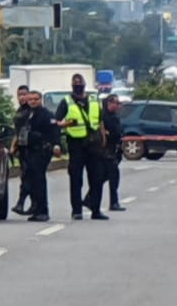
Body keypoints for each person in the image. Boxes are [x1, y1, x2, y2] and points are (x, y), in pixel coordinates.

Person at [55, 73, 108, 221]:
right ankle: (76, 211)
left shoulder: (93, 100)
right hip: (76, 144)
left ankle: (96, 210)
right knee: (76, 179)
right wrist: (67, 124)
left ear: (84, 83)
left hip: (94, 144)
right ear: (72, 85)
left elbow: (100, 121)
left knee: (96, 178)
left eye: (80, 82)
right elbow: (56, 122)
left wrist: (103, 138)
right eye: (75, 82)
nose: (78, 84)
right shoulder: (66, 101)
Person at [20, 88, 57, 222]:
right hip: (29, 151)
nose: (33, 101)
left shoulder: (46, 114)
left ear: (40, 100)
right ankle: (36, 209)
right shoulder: (27, 113)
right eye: (30, 99)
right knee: (32, 181)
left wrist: (56, 145)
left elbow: (54, 130)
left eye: (36, 99)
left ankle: (43, 210)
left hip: (41, 151)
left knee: (39, 181)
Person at [102, 94, 126, 211]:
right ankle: (113, 202)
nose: (118, 105)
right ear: (109, 103)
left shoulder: (115, 116)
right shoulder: (105, 117)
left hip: (115, 150)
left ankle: (90, 199)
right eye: (116, 103)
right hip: (107, 150)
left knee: (108, 176)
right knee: (110, 176)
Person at [11, 85, 32, 216]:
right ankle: (27, 204)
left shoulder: (31, 111)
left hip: (32, 148)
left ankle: (22, 202)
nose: (22, 97)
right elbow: (17, 132)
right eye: (20, 95)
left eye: (25, 94)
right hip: (23, 148)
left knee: (28, 177)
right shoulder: (20, 110)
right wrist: (13, 146)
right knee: (25, 176)